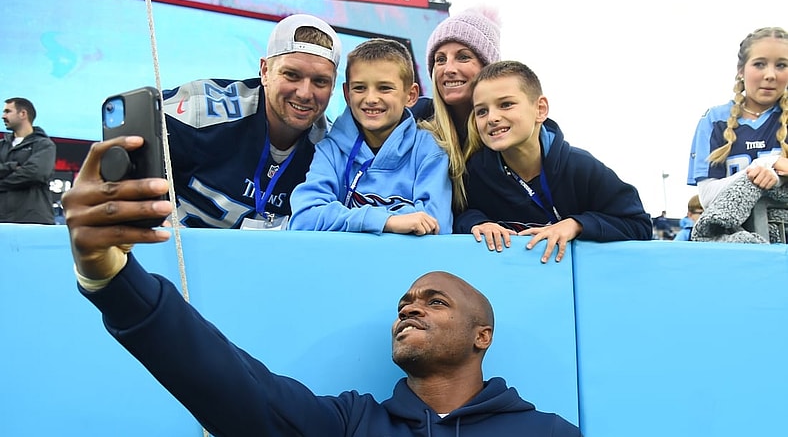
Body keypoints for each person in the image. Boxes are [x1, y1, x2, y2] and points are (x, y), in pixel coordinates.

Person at [60, 136, 582, 436]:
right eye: (404, 303)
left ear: (481, 335)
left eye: (434, 301)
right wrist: (112, 280)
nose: (409, 309)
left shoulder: (549, 433)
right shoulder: (351, 424)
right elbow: (230, 382)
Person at [456, 61, 653, 263]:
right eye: (481, 111)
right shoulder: (475, 173)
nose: (492, 118)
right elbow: (458, 215)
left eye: (506, 104)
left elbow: (639, 225)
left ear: (540, 109)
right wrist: (477, 223)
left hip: (577, 287)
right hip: (512, 283)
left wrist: (576, 224)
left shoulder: (581, 167)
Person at [162, 14, 341, 229]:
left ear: (333, 87)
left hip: (262, 261)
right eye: (292, 75)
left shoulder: (331, 150)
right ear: (265, 71)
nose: (304, 93)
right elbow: (130, 122)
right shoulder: (204, 110)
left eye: (320, 81)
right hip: (174, 257)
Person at [288, 38, 452, 235]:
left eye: (385, 88)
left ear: (411, 95)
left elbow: (435, 226)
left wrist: (340, 217)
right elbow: (304, 217)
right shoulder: (330, 150)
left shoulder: (429, 150)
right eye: (359, 88)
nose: (371, 99)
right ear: (347, 95)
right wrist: (388, 221)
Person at [686, 27, 788, 210]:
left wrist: (777, 179)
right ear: (741, 70)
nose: (770, 75)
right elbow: (707, 197)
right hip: (734, 235)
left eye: (781, 65)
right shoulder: (714, 120)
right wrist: (766, 164)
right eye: (759, 64)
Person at [414, 6, 502, 214]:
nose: (449, 69)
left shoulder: (508, 128)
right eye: (440, 59)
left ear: (487, 68)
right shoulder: (414, 120)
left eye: (463, 57)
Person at [1, 97, 56, 224]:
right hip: (2, 221)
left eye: (8, 111)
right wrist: (12, 167)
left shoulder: (44, 145)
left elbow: (35, 174)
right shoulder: (1, 146)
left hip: (33, 219)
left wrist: (2, 181)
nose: (3, 116)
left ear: (23, 114)